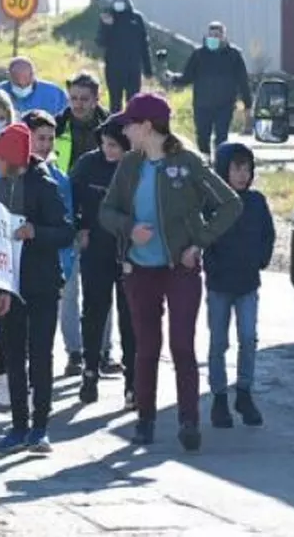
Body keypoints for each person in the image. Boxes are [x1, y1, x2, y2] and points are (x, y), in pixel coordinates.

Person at [99, 92, 242, 451]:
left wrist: (200, 243)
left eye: (130, 123)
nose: (125, 129)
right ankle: (145, 420)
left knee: (182, 345)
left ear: (147, 126)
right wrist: (130, 228)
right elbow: (106, 212)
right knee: (146, 347)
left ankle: (189, 421)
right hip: (140, 270)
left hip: (181, 268)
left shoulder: (188, 162)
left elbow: (230, 204)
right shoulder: (130, 165)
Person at [0, 123, 74, 454]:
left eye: (0, 157)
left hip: (42, 284)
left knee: (40, 354)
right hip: (9, 285)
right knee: (13, 355)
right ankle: (18, 425)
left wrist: (34, 231)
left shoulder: (45, 185)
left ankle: (40, 427)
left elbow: (66, 232)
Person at [205, 142, 274, 429]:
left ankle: (244, 392)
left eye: (247, 169)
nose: (242, 175)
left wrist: (260, 259)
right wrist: (213, 266)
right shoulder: (212, 201)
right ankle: (219, 397)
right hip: (220, 284)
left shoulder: (256, 202)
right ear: (224, 170)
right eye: (236, 169)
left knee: (248, 338)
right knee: (219, 341)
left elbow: (267, 235)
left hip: (247, 284)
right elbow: (204, 237)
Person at [70, 119, 136, 408]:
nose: (107, 150)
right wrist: (79, 227)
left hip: (130, 252)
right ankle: (90, 371)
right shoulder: (88, 165)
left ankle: (133, 381)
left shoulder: (136, 167)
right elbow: (69, 199)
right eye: (104, 144)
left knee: (129, 317)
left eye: (114, 145)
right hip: (95, 249)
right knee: (94, 312)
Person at [23, 110, 80, 377]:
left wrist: (66, 262)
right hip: (21, 269)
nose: (46, 145)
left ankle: (68, 356)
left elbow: (66, 225)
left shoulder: (60, 179)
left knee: (53, 319)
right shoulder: (10, 177)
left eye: (50, 138)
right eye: (40, 138)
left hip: (54, 263)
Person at [166, 21, 253, 158]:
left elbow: (242, 81)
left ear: (224, 37)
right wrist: (174, 79)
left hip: (225, 104)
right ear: (207, 36)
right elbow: (188, 76)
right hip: (202, 104)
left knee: (221, 137)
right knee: (202, 136)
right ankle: (204, 162)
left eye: (217, 35)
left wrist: (247, 103)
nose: (214, 38)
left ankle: (220, 164)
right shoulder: (199, 54)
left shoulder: (234, 55)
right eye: (211, 35)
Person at [97, 0, 153, 112]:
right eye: (116, 0)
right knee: (115, 102)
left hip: (133, 68)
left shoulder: (136, 18)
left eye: (121, 0)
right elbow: (100, 42)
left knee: (133, 102)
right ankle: (115, 128)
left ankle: (131, 128)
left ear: (127, 2)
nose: (118, 3)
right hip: (114, 68)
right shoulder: (108, 17)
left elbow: (144, 44)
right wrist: (107, 26)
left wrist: (148, 69)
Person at [0, 57, 68, 116]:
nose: (22, 83)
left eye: (26, 78)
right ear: (8, 76)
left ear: (33, 75)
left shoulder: (54, 93)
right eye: (16, 79)